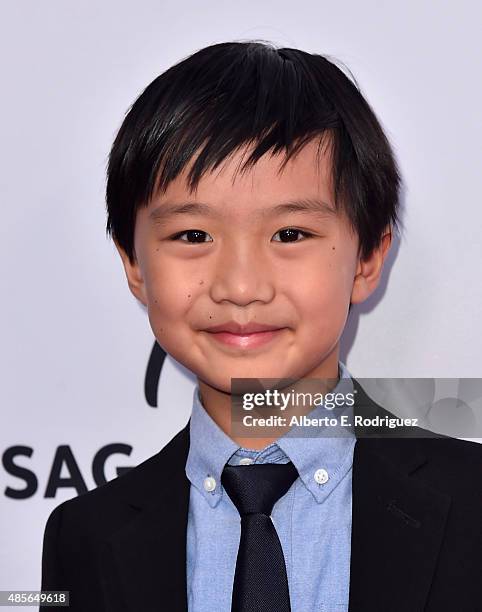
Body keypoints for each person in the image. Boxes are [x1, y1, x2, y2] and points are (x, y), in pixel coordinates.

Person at [40, 41, 482, 611]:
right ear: (134, 266)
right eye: (193, 236)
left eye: (290, 234)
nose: (241, 286)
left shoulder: (472, 506)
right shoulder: (83, 537)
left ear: (368, 259)